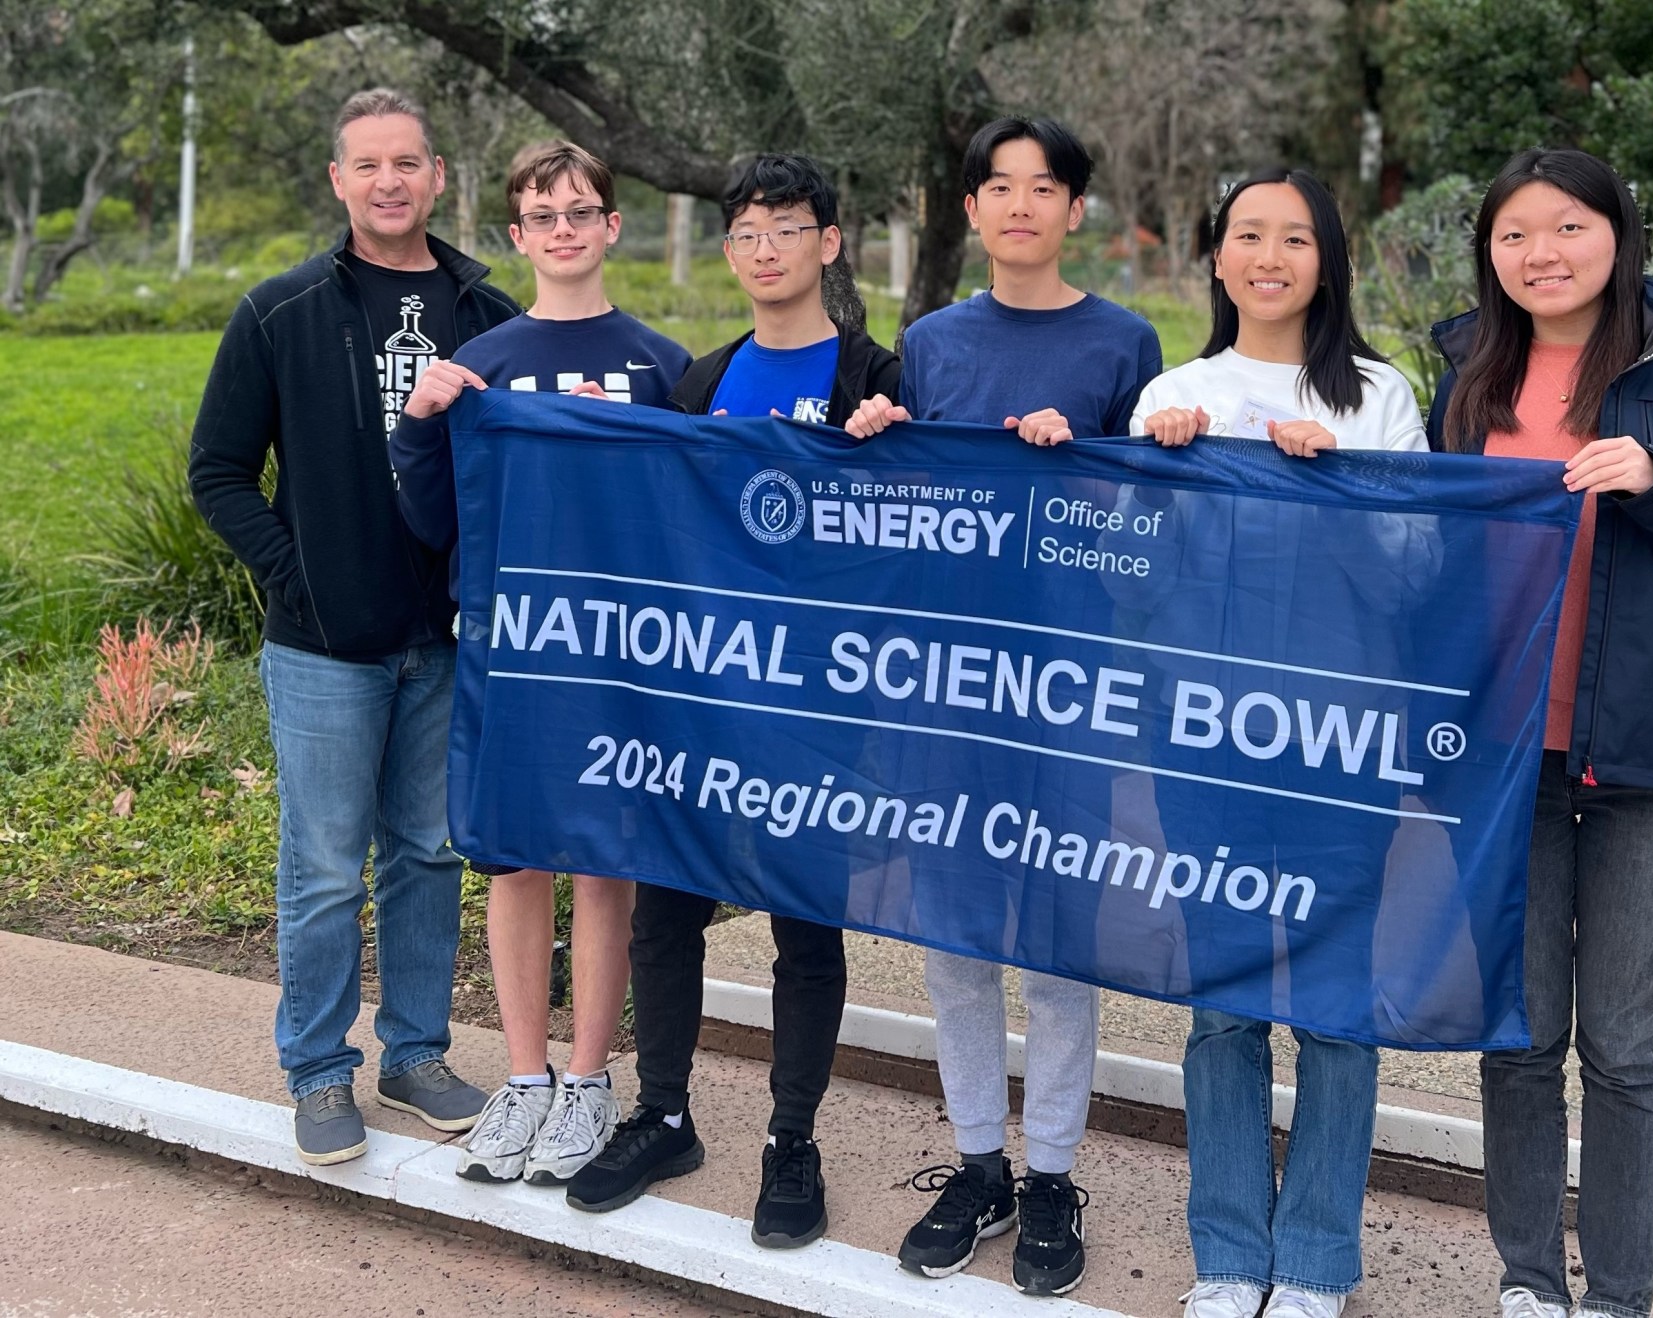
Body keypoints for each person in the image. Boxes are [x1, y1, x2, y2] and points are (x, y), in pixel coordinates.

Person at [1426, 148, 1653, 1318]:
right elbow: (1427, 564)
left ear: (1616, 234)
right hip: (1503, 766)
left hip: (1647, 763)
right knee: (1520, 1043)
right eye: (1514, 235)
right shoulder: (1464, 382)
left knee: (1625, 1047)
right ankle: (1529, 1284)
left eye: (1567, 227)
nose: (1542, 253)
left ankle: (1617, 1296)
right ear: (1488, 254)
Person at [845, 115, 1163, 1298]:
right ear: (968, 209)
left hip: (1065, 688)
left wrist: (1076, 462)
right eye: (997, 187)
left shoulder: (1123, 342)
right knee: (955, 937)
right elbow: (907, 510)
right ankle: (977, 1161)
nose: (1019, 205)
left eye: (1043, 188)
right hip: (947, 687)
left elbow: (1150, 528)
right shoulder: (926, 341)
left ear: (1075, 208)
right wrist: (879, 440)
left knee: (1058, 943)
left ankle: (1052, 1172)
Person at [564, 154, 897, 1252]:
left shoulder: (873, 377)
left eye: (786, 228)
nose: (766, 249)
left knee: (807, 923)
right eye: (746, 232)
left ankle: (789, 1139)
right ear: (729, 251)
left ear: (828, 243)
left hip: (819, 706)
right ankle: (662, 1113)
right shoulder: (696, 382)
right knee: (666, 909)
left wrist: (886, 457)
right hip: (700, 702)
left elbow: (921, 540)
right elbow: (655, 529)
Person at [188, 87, 521, 1166]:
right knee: (326, 865)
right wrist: (300, 577)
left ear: (436, 178)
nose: (389, 180)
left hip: (446, 641)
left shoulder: (487, 312)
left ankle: (416, 1053)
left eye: (407, 162)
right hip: (324, 646)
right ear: (338, 180)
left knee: (426, 855)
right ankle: (319, 1071)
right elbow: (219, 472)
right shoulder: (280, 311)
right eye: (367, 163)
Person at [1127, 166, 1426, 1318]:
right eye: (1246, 234)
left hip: (1341, 738)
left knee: (1336, 1009)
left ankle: (1312, 1264)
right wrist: (1158, 474)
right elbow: (1130, 573)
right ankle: (1227, 1254)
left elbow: (1415, 577)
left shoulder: (1377, 397)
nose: (1268, 255)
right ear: (1214, 257)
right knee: (1223, 1005)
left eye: (1293, 237)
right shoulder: (1175, 388)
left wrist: (1341, 486)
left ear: (1325, 259)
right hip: (1203, 738)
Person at [385, 139, 690, 1188]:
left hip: (618, 658)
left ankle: (589, 1078)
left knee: (604, 859)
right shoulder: (488, 368)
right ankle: (523, 1076)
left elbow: (689, 526)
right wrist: (421, 428)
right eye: (542, 216)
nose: (563, 230)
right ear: (517, 237)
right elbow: (436, 521)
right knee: (513, 862)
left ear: (611, 225)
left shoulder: (659, 365)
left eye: (580, 211)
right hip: (512, 655)